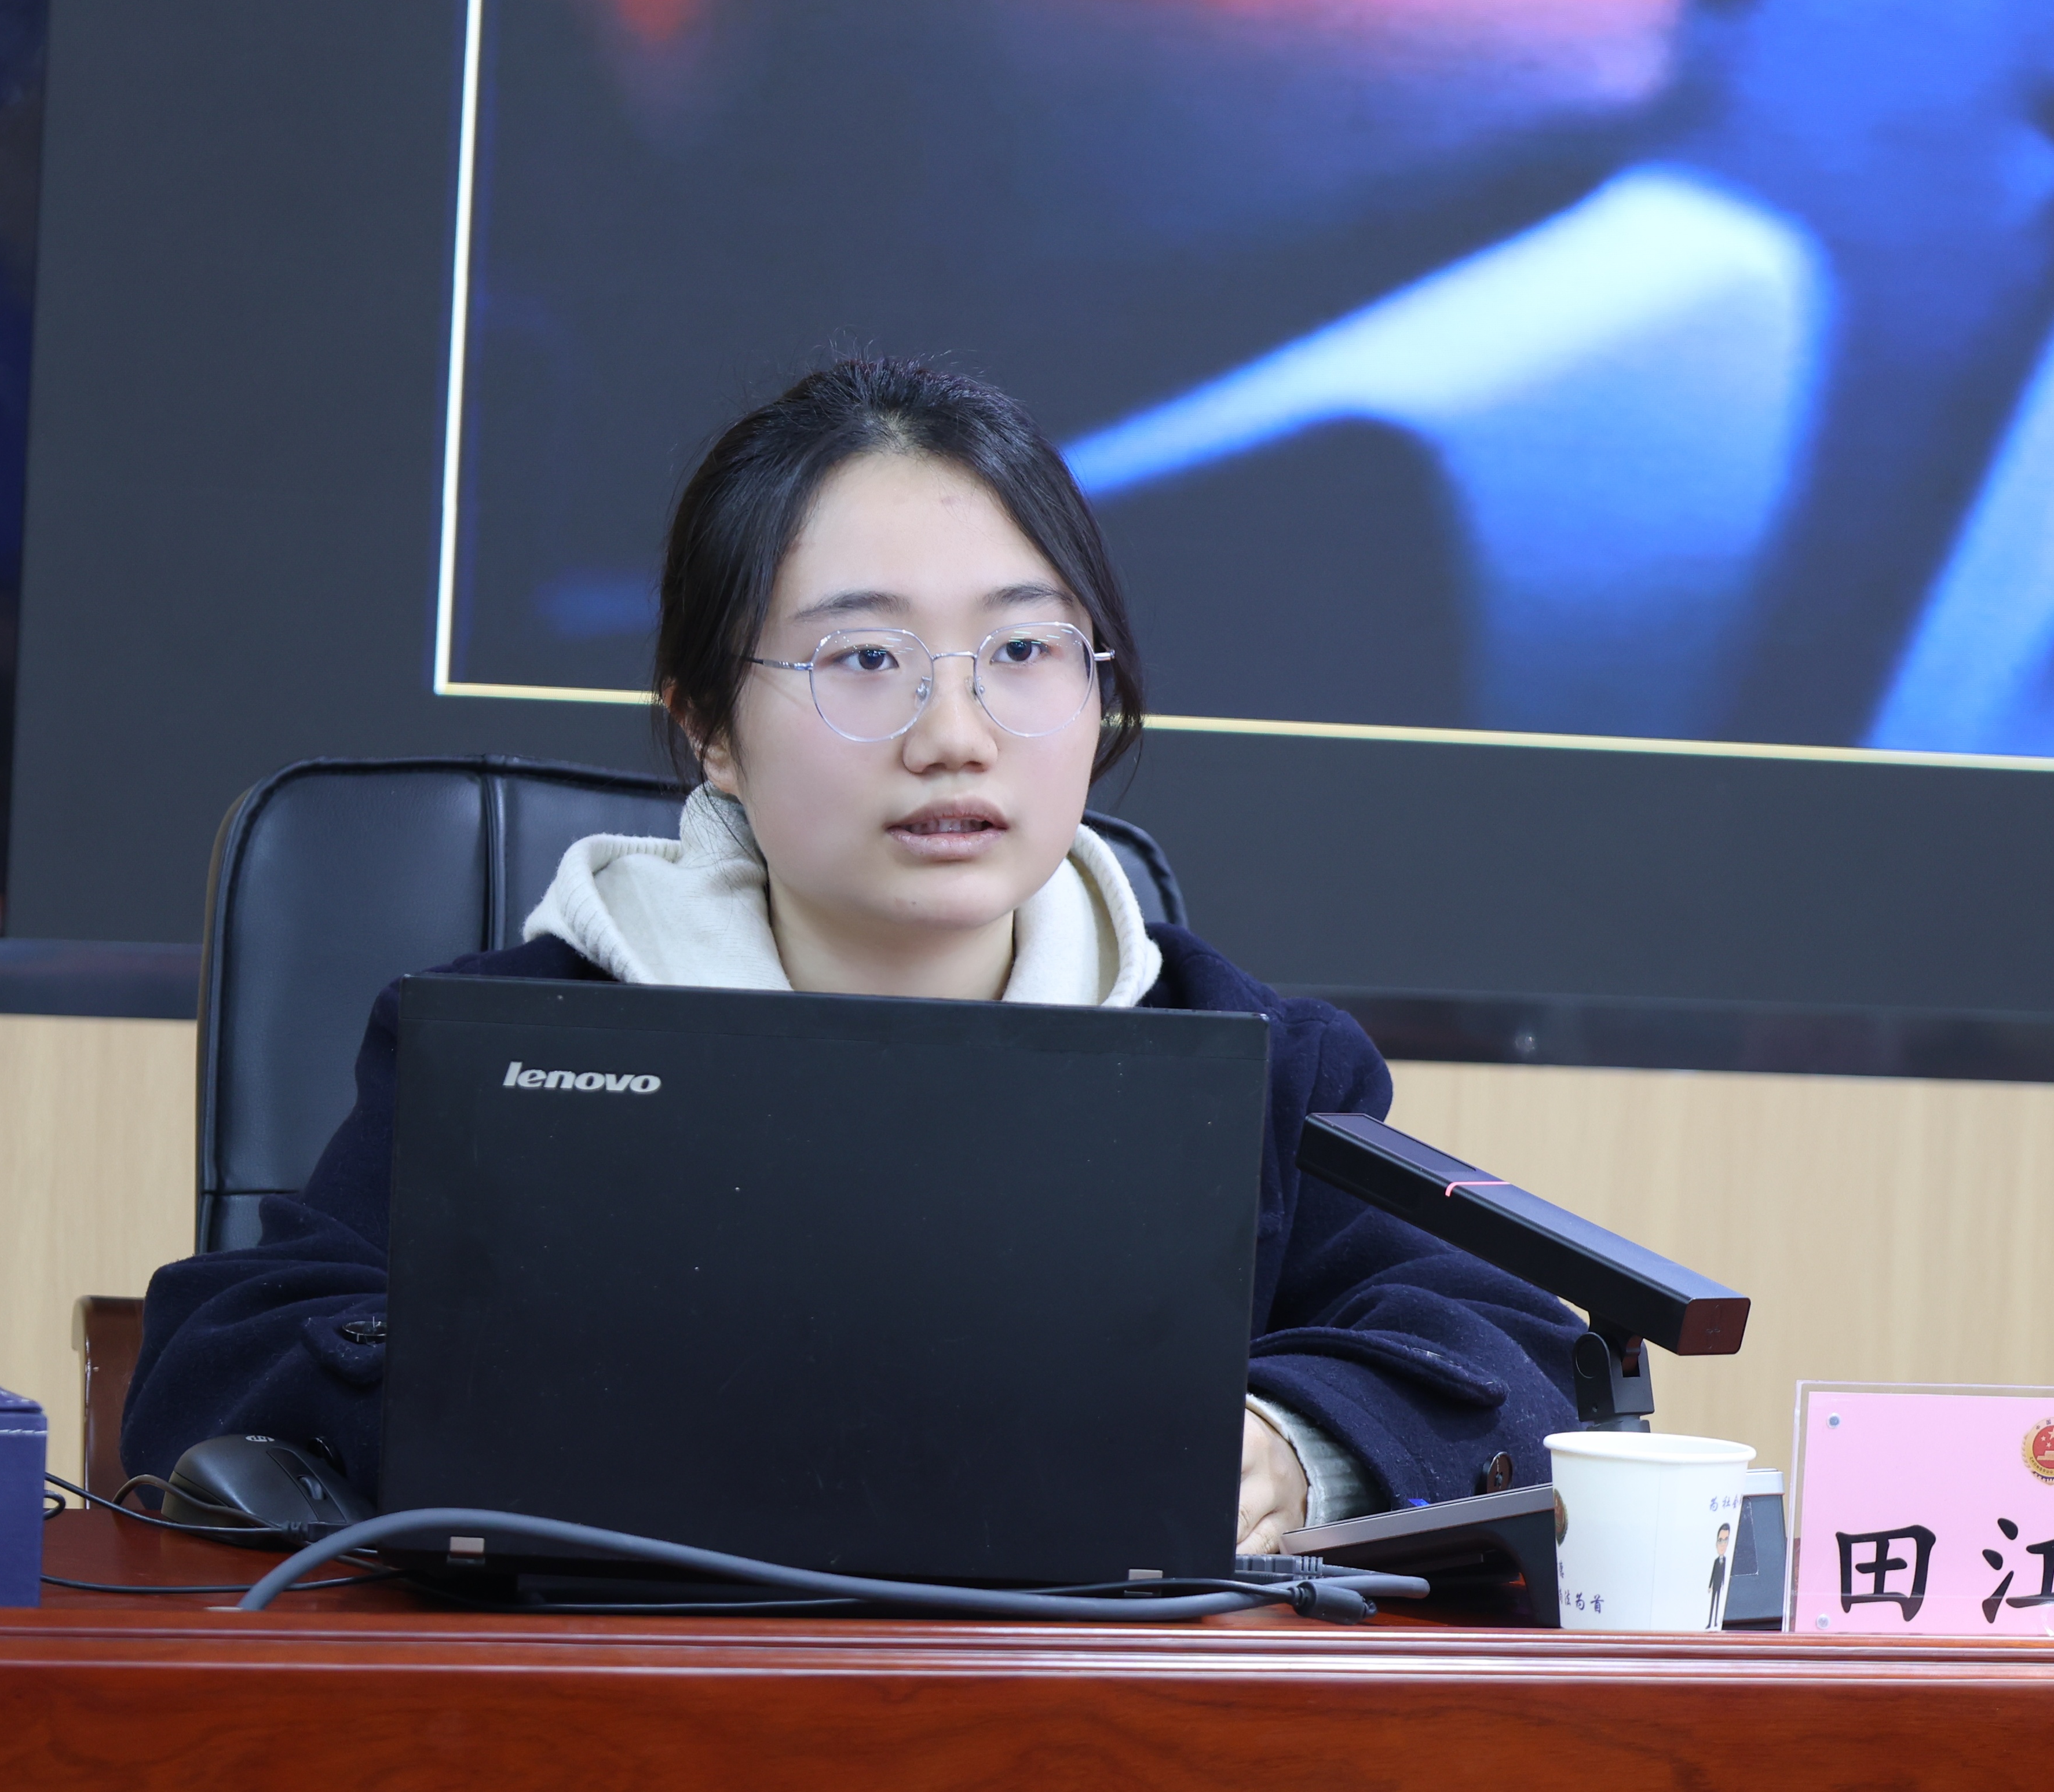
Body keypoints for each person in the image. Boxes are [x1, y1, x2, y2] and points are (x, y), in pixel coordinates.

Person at [121, 357, 1588, 1554]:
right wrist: (526, 1388)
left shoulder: (1256, 1061)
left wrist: (1289, 1445)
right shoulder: (511, 1043)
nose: (955, 733)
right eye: (866, 658)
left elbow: (1517, 1352)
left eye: (1024, 652)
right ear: (709, 724)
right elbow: (217, 1359)